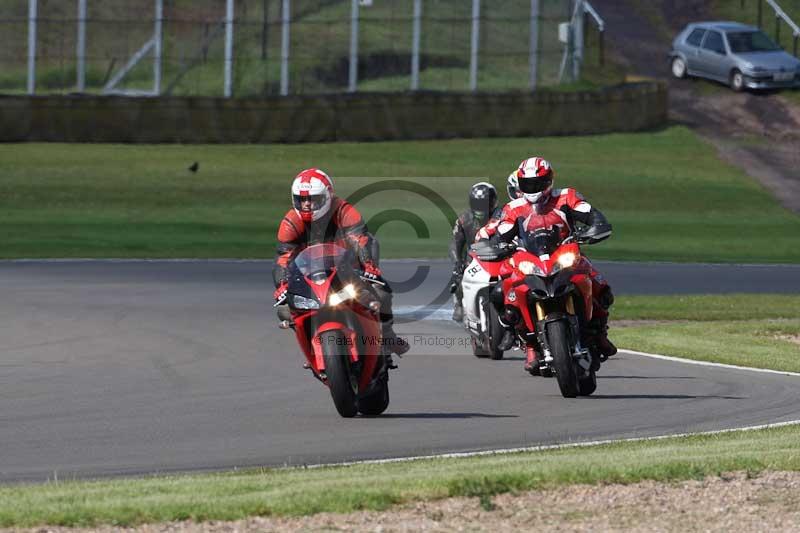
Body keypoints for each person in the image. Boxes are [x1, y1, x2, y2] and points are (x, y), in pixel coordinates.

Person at [478, 157, 616, 370]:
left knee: (602, 287)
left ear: (549, 181)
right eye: (527, 184)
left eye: (538, 183)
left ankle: (599, 333)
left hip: (565, 254)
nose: (532, 188)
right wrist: (494, 247)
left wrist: (596, 226)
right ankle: (530, 344)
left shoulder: (566, 196)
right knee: (504, 294)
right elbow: (502, 233)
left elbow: (590, 212)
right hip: (529, 259)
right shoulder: (513, 208)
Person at [273, 168, 409, 358]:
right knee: (284, 310)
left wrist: (369, 267)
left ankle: (386, 336)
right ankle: (311, 350)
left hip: (348, 272)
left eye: (312, 199)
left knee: (381, 293)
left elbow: (360, 240)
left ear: (327, 196)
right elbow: (283, 258)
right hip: (311, 279)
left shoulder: (344, 211)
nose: (306, 204)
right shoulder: (291, 222)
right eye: (301, 199)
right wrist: (282, 286)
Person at [448, 182, 501, 322]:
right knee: (460, 276)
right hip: (474, 259)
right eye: (478, 204)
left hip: (500, 256)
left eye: (485, 203)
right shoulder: (464, 219)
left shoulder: (503, 216)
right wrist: (457, 262)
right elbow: (455, 243)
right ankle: (460, 302)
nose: (482, 207)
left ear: (493, 202)